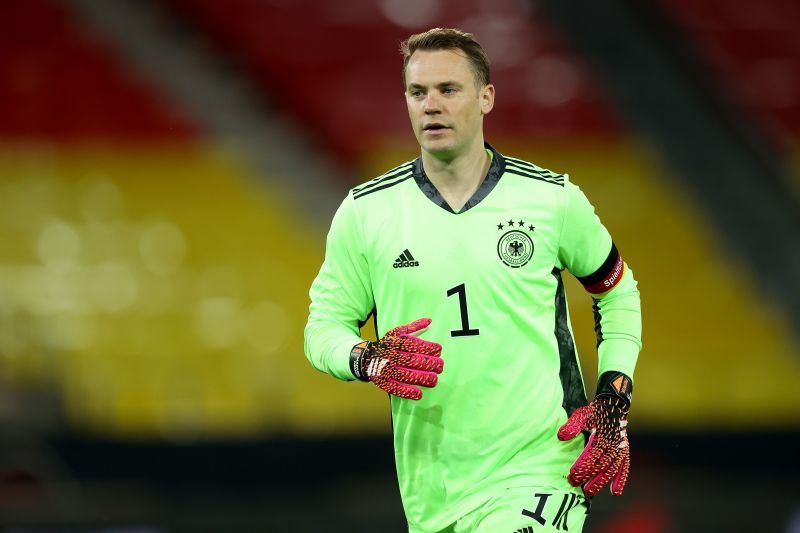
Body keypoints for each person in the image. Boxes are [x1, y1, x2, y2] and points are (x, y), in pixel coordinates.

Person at [304, 27, 642, 533]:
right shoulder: (367, 213)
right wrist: (364, 358)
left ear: (486, 98)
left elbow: (616, 290)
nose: (431, 105)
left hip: (542, 471)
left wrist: (615, 395)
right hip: (433, 491)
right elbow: (322, 328)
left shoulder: (551, 200)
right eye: (418, 93)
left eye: (448, 89)